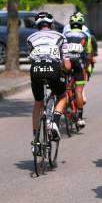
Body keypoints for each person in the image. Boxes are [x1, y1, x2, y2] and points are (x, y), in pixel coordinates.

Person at [28, 12, 71, 145]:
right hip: (53, 70)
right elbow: (67, 64)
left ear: (37, 26)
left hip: (35, 70)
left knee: (38, 103)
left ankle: (36, 140)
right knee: (63, 96)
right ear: (51, 24)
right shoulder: (61, 37)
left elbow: (32, 58)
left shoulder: (30, 38)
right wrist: (64, 71)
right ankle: (55, 123)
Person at [62, 13, 94, 128]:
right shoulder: (86, 36)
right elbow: (89, 56)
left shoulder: (64, 34)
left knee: (62, 86)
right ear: (82, 24)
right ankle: (80, 117)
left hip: (65, 63)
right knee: (79, 90)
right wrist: (86, 67)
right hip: (78, 63)